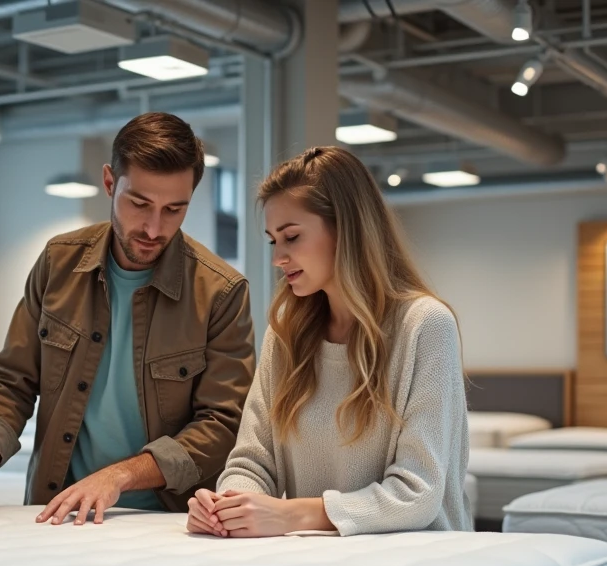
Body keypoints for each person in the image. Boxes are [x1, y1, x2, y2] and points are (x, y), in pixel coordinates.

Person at [0, 112, 255, 526]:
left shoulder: (221, 292)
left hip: (168, 523)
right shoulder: (58, 262)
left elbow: (222, 425)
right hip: (58, 512)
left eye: (174, 209)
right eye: (139, 204)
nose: (153, 228)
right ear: (110, 182)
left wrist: (119, 476)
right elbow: (11, 383)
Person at [187, 145, 471, 538]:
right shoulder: (286, 335)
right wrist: (228, 506)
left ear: (347, 229)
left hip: (419, 559)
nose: (278, 257)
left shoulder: (425, 325)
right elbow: (252, 462)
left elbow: (417, 493)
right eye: (273, 241)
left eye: (291, 237)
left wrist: (290, 515)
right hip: (321, 560)